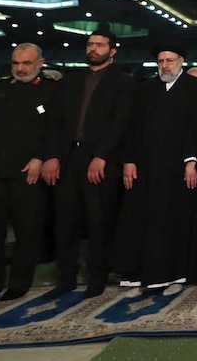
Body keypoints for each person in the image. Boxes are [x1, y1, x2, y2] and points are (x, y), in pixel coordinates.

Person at [111, 42, 197, 297]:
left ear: (181, 61)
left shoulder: (193, 89)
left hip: (179, 171)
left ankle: (176, 276)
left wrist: (192, 161)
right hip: (146, 170)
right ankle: (141, 276)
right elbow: (132, 128)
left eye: (170, 60)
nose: (165, 66)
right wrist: (129, 160)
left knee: (175, 221)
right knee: (142, 219)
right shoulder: (145, 90)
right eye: (161, 62)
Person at [42, 30, 136, 299]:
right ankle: (66, 278)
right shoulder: (70, 82)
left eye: (100, 45)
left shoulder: (122, 82)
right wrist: (52, 156)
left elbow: (120, 123)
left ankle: (98, 277)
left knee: (99, 222)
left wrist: (101, 156)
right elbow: (55, 123)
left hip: (101, 161)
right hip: (68, 159)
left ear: (112, 50)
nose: (93, 49)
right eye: (90, 44)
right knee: (65, 221)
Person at [0, 44, 58, 301]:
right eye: (16, 64)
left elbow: (54, 129)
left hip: (28, 173)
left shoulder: (51, 91)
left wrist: (41, 158)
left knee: (27, 231)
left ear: (40, 63)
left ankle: (20, 282)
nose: (21, 69)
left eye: (27, 63)